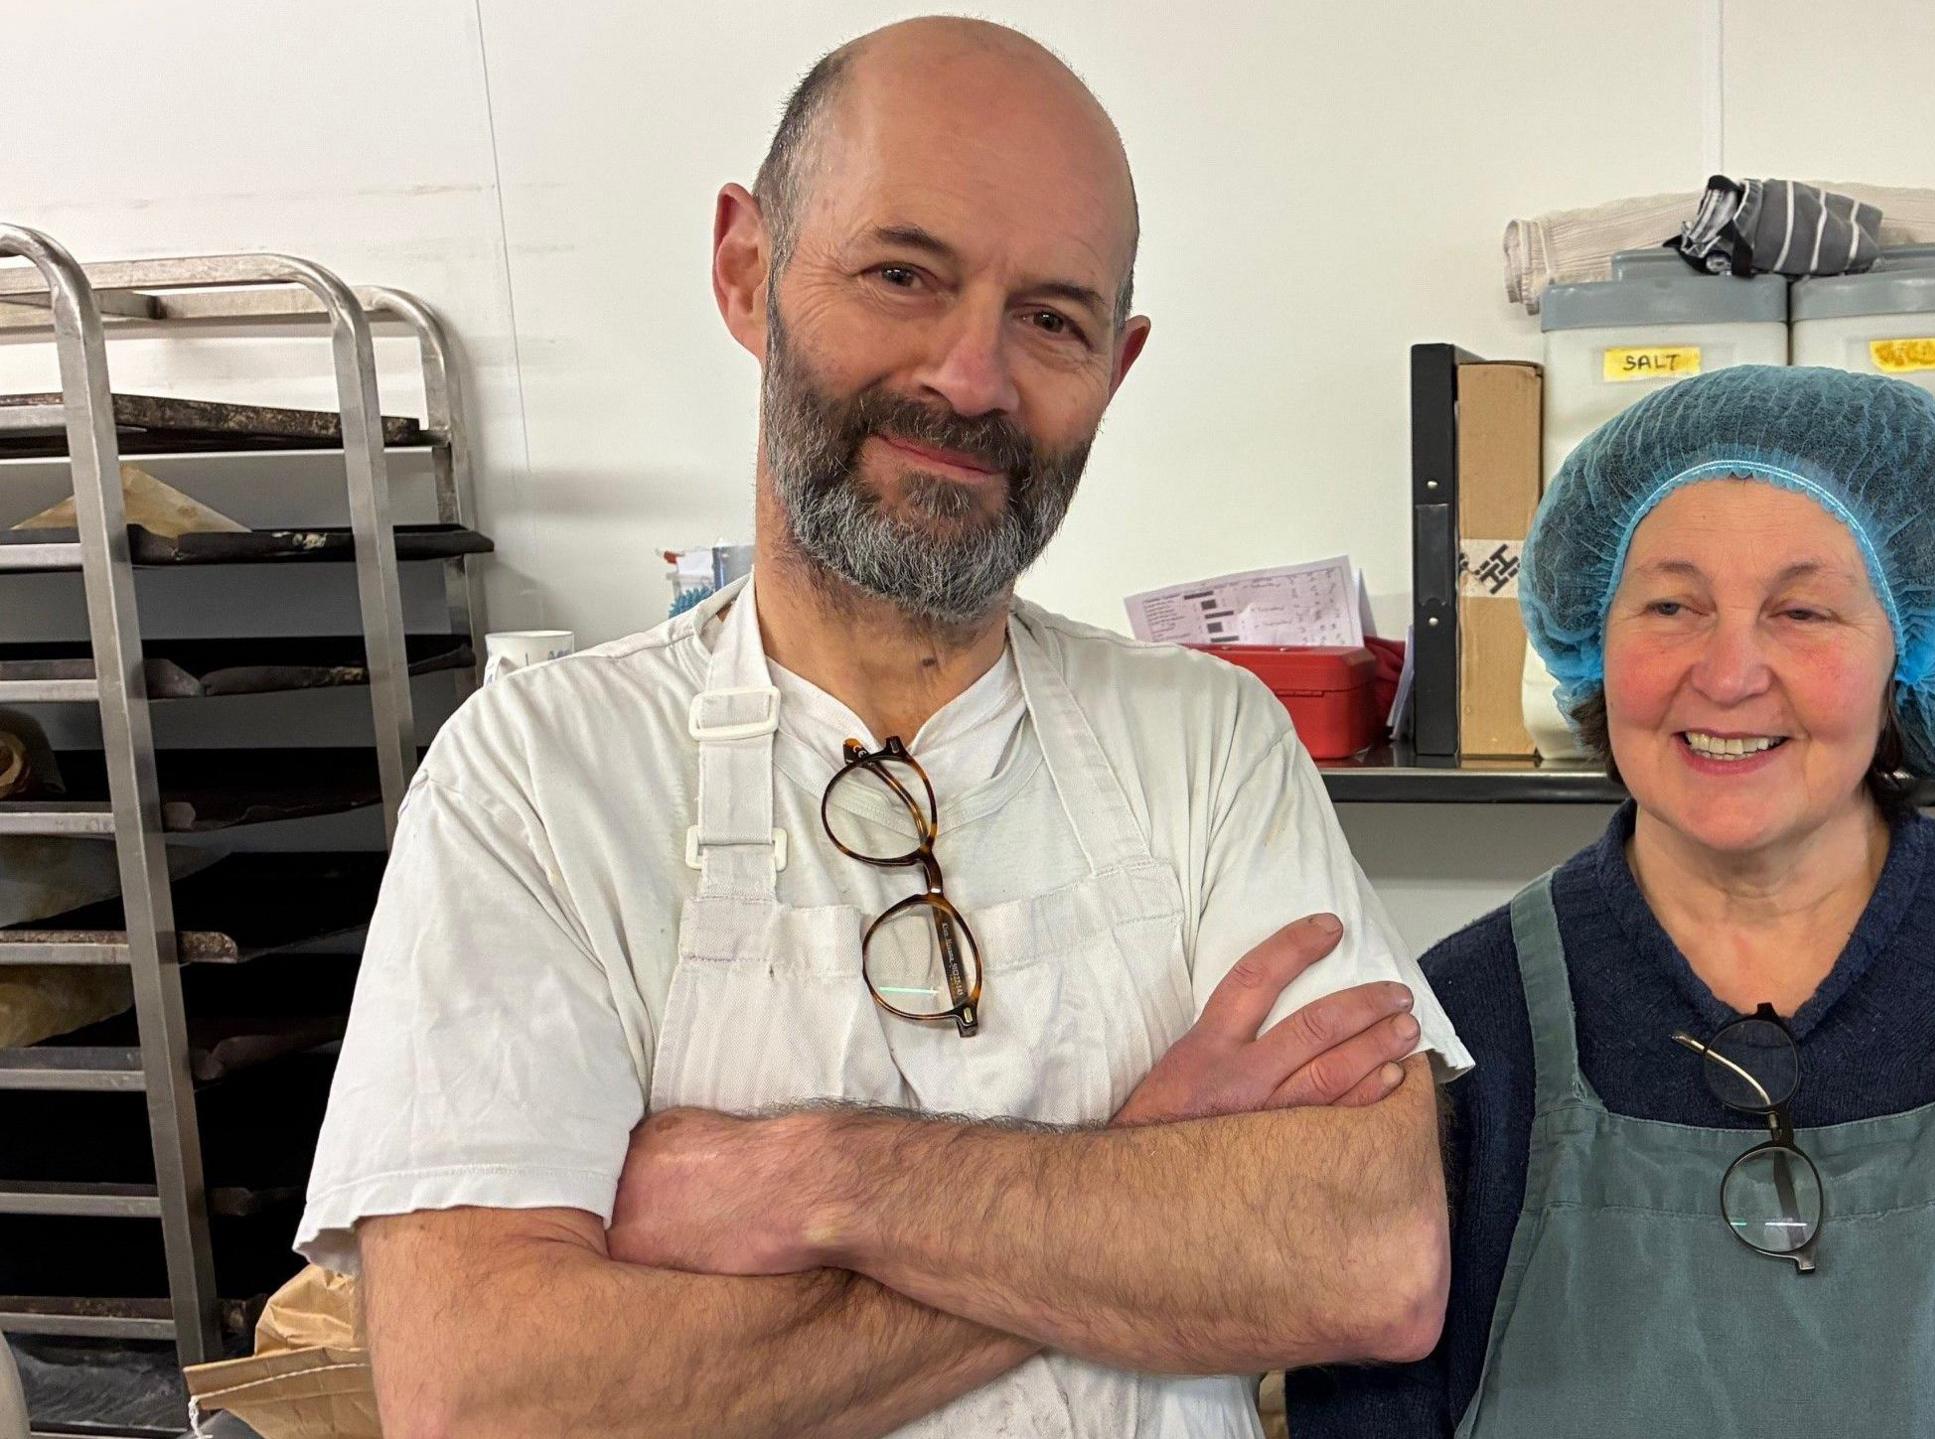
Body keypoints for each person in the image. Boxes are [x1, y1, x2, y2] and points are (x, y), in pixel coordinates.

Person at [293, 18, 1468, 1438]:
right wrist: (1140, 1180)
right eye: (903, 275)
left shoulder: (1211, 741)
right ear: (747, 268)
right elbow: (491, 1395)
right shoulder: (536, 778)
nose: (971, 379)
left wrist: (817, 1178)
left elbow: (1371, 1255)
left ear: (1120, 361)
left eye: (1051, 316)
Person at [1290, 365, 1935, 1436]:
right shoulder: (1458, 1022)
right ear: (1591, 637)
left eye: (1802, 610)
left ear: (1913, 649)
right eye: (1672, 604)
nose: (1727, 673)